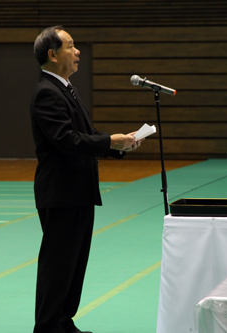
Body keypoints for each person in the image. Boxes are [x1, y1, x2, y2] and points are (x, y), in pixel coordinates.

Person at [30, 26, 142, 333]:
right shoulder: (46, 93)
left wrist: (121, 144)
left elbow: (87, 135)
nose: (77, 51)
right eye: (70, 46)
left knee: (74, 264)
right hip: (61, 193)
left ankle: (64, 322)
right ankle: (48, 327)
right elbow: (67, 140)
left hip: (79, 191)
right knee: (57, 265)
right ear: (52, 55)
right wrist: (109, 142)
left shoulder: (67, 89)